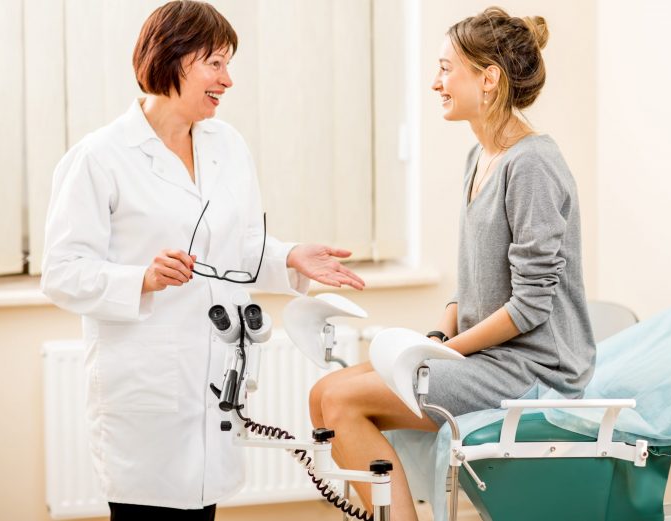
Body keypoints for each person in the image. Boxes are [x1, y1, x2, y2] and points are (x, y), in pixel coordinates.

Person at [40, 2, 364, 519]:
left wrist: (291, 258)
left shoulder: (227, 145)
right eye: (215, 63)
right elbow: (61, 272)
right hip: (146, 391)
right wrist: (140, 278)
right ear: (174, 59)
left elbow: (236, 248)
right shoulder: (100, 157)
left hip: (215, 381)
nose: (228, 79)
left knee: (204, 507)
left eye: (228, 64)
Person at [308, 7, 595, 520]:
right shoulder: (479, 156)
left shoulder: (532, 165)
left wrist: (441, 356)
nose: (434, 81)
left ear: (489, 79)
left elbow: (529, 306)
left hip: (531, 370)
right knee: (323, 394)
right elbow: (475, 282)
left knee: (343, 403)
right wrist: (437, 337)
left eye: (445, 68)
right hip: (483, 359)